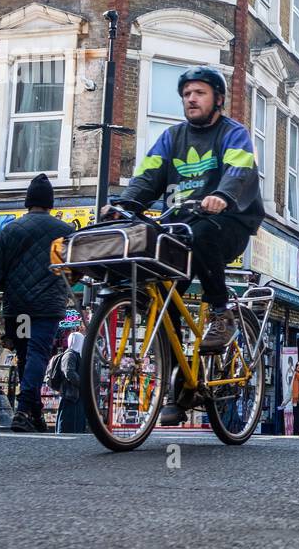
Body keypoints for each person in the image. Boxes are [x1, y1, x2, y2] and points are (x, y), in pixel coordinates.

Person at [112, 66, 263, 368]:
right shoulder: (171, 137)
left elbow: (239, 169)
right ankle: (180, 388)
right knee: (165, 300)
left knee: (204, 233)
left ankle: (221, 313)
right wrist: (127, 204)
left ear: (218, 99)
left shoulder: (233, 133)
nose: (191, 99)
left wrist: (222, 195)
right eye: (186, 94)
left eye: (199, 93)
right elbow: (147, 175)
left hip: (227, 224)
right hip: (180, 227)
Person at [0, 174, 76, 433]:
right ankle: (25, 408)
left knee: (25, 353)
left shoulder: (10, 230)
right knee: (37, 352)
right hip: (46, 307)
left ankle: (33, 414)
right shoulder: (64, 231)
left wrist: (12, 289)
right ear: (50, 203)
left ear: (28, 202)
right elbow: (71, 272)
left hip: (18, 308)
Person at [55, 331, 87, 434]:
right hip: (71, 395)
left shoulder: (76, 355)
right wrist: (83, 384)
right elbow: (69, 372)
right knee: (68, 422)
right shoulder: (70, 355)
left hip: (75, 395)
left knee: (75, 422)